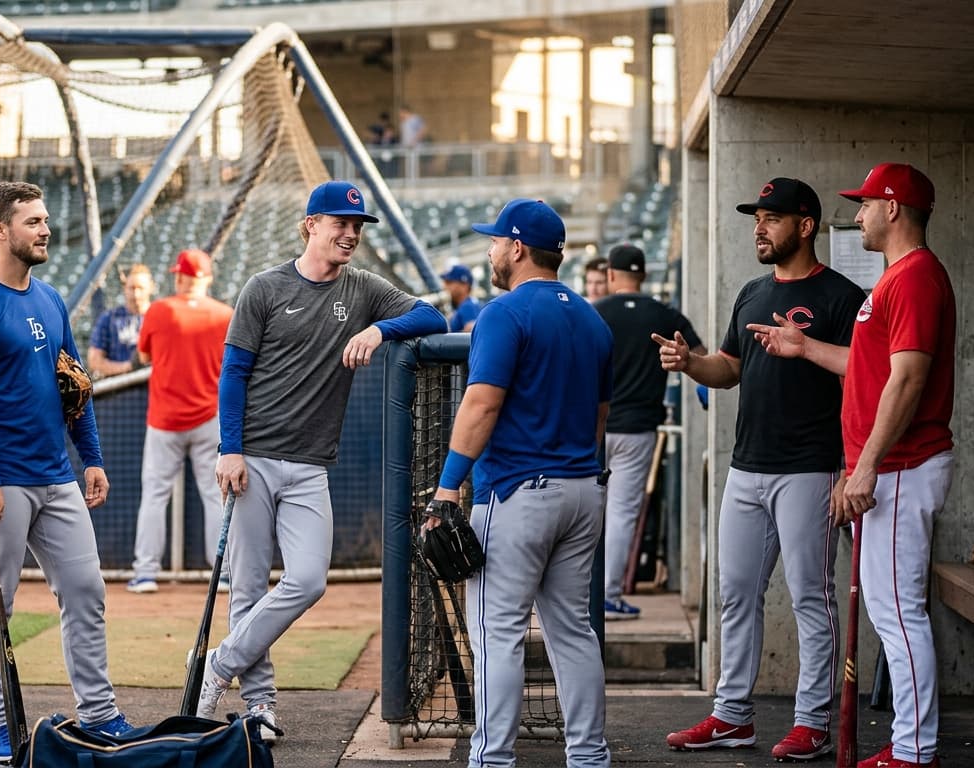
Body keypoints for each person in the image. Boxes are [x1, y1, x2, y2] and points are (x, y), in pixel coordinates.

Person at [198, 181, 447, 741]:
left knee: (308, 580)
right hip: (254, 457)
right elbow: (234, 373)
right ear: (310, 224)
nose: (351, 233)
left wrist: (381, 328)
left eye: (357, 225)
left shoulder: (363, 289)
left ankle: (220, 665)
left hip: (311, 463)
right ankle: (259, 707)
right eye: (340, 222)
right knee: (248, 588)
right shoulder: (264, 287)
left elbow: (431, 317)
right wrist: (228, 449)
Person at [748, 163, 954, 768]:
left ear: (893, 209)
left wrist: (863, 467)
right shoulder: (897, 278)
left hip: (901, 466)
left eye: (865, 204)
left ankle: (917, 750)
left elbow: (909, 380)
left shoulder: (914, 277)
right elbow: (874, 371)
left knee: (898, 613)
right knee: (894, 611)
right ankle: (914, 744)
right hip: (888, 466)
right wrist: (804, 345)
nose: (858, 214)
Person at [655, 177, 865, 761]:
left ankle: (812, 722)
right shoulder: (750, 292)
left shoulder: (843, 298)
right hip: (747, 468)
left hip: (812, 468)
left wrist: (851, 468)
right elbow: (728, 369)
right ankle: (732, 716)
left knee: (810, 597)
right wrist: (690, 363)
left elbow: (863, 381)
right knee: (736, 595)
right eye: (756, 217)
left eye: (772, 218)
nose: (759, 226)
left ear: (805, 225)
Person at [423, 198, 614, 768]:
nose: (489, 250)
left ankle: (492, 760)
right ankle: (589, 757)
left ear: (518, 248)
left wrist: (447, 488)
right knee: (573, 633)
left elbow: (481, 404)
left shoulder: (504, 313)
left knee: (497, 633)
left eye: (495, 240)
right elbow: (600, 417)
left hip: (519, 493)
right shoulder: (592, 318)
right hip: (583, 490)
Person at [0, 181, 133, 764]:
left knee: (85, 592)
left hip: (56, 477)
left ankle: (100, 713)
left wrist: (93, 457)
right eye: (32, 222)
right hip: (1, 480)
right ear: (0, 231)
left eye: (46, 220)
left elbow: (72, 384)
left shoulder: (50, 299)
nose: (45, 230)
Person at [593, 243, 704, 620]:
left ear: (610, 274)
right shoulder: (663, 313)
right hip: (638, 429)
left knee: (586, 511)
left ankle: (583, 598)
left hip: (593, 428)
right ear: (643, 275)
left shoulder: (595, 313)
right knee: (621, 513)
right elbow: (701, 359)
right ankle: (607, 596)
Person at [127, 248, 234, 595]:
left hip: (165, 419)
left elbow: (144, 356)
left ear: (180, 277)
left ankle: (145, 573)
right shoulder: (224, 315)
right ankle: (225, 572)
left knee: (155, 496)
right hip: (209, 417)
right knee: (214, 495)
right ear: (208, 278)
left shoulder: (160, 310)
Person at [87, 263, 153, 378]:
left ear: (151, 287)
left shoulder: (160, 317)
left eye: (140, 288)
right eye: (132, 288)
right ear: (124, 288)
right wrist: (129, 367)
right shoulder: (109, 318)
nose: (136, 294)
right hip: (119, 390)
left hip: (152, 385)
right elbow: (94, 361)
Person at [439, 264, 480, 332]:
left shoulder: (468, 306)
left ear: (464, 285)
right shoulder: (464, 305)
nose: (445, 286)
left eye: (449, 282)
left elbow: (471, 335)